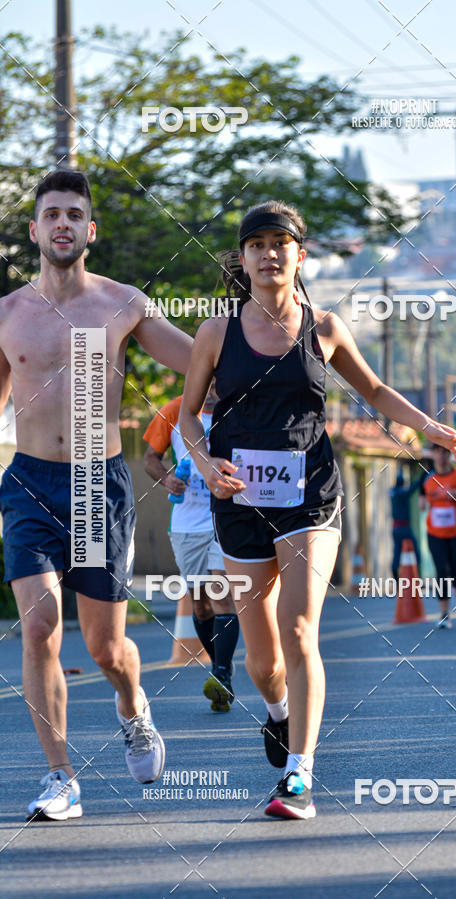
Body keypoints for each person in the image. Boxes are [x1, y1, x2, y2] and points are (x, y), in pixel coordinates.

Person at [179, 200, 456, 819]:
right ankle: (279, 715)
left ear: (298, 256)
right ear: (245, 258)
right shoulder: (214, 333)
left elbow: (376, 391)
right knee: (262, 662)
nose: (268, 253)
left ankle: (299, 776)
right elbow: (187, 417)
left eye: (279, 243)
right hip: (239, 500)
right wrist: (205, 468)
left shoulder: (325, 327)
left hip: (311, 494)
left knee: (301, 627)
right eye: (256, 244)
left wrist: (432, 428)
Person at [0, 170, 192, 820]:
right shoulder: (7, 313)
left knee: (106, 648)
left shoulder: (122, 303)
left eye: (73, 214)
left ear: (90, 230)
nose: (62, 223)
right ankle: (61, 778)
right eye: (51, 213)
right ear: (34, 229)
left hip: (93, 485)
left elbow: (198, 360)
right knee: (40, 625)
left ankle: (134, 706)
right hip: (28, 480)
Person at [143, 385, 239, 710]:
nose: (213, 386)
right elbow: (150, 459)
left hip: (226, 517)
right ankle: (219, 665)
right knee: (200, 605)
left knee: (221, 593)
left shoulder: (236, 406)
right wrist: (167, 479)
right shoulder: (174, 410)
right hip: (186, 522)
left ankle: (223, 675)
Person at [419, 445, 456, 627]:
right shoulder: (427, 478)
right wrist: (422, 503)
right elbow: (421, 499)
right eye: (438, 452)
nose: (441, 456)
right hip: (435, 533)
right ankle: (445, 613)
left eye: (445, 452)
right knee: (441, 571)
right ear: (433, 454)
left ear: (449, 455)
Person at [389, 470, 425, 578]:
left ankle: (396, 577)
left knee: (397, 553)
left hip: (395, 529)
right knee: (416, 552)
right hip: (404, 528)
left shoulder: (392, 492)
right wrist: (421, 479)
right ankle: (417, 577)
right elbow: (412, 489)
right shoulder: (402, 493)